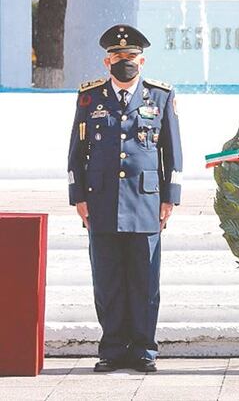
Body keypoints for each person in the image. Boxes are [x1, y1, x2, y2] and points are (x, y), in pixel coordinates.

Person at [67, 24, 183, 373]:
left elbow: (172, 152)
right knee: (108, 281)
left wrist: (169, 198)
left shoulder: (160, 96)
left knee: (145, 282)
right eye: (118, 57)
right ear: (107, 61)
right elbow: (77, 150)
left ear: (142, 61)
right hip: (100, 201)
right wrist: (78, 196)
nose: (125, 62)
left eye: (131, 57)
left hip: (146, 202)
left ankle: (144, 351)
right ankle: (113, 350)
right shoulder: (90, 97)